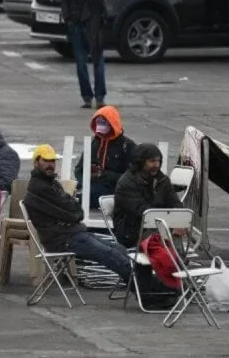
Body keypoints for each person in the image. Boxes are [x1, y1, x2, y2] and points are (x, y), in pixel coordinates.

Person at [24, 145, 132, 284]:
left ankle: (141, 282)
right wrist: (74, 213)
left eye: (52, 161)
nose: (50, 165)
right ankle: (142, 286)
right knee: (111, 255)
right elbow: (73, 213)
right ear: (36, 162)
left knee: (118, 249)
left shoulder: (52, 184)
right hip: (62, 239)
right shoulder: (40, 187)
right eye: (46, 161)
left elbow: (74, 209)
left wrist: (73, 213)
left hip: (73, 233)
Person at [61, 0, 108, 109]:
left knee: (98, 60)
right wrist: (67, 17)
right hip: (76, 19)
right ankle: (87, 96)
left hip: (94, 19)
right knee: (80, 62)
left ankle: (100, 96)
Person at [113, 143, 182, 248]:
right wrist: (170, 226)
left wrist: (179, 221)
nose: (157, 165)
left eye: (158, 161)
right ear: (140, 163)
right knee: (163, 236)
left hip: (157, 225)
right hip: (132, 231)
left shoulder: (162, 180)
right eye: (152, 161)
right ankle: (171, 258)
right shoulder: (126, 183)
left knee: (179, 225)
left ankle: (174, 258)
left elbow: (175, 202)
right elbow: (143, 211)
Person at [74, 106, 136, 209]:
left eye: (104, 123)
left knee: (90, 195)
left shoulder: (127, 146)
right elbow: (78, 169)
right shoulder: (94, 144)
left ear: (113, 124)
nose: (100, 127)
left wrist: (105, 175)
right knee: (69, 193)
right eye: (98, 122)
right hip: (91, 186)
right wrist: (84, 181)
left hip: (114, 189)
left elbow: (133, 177)